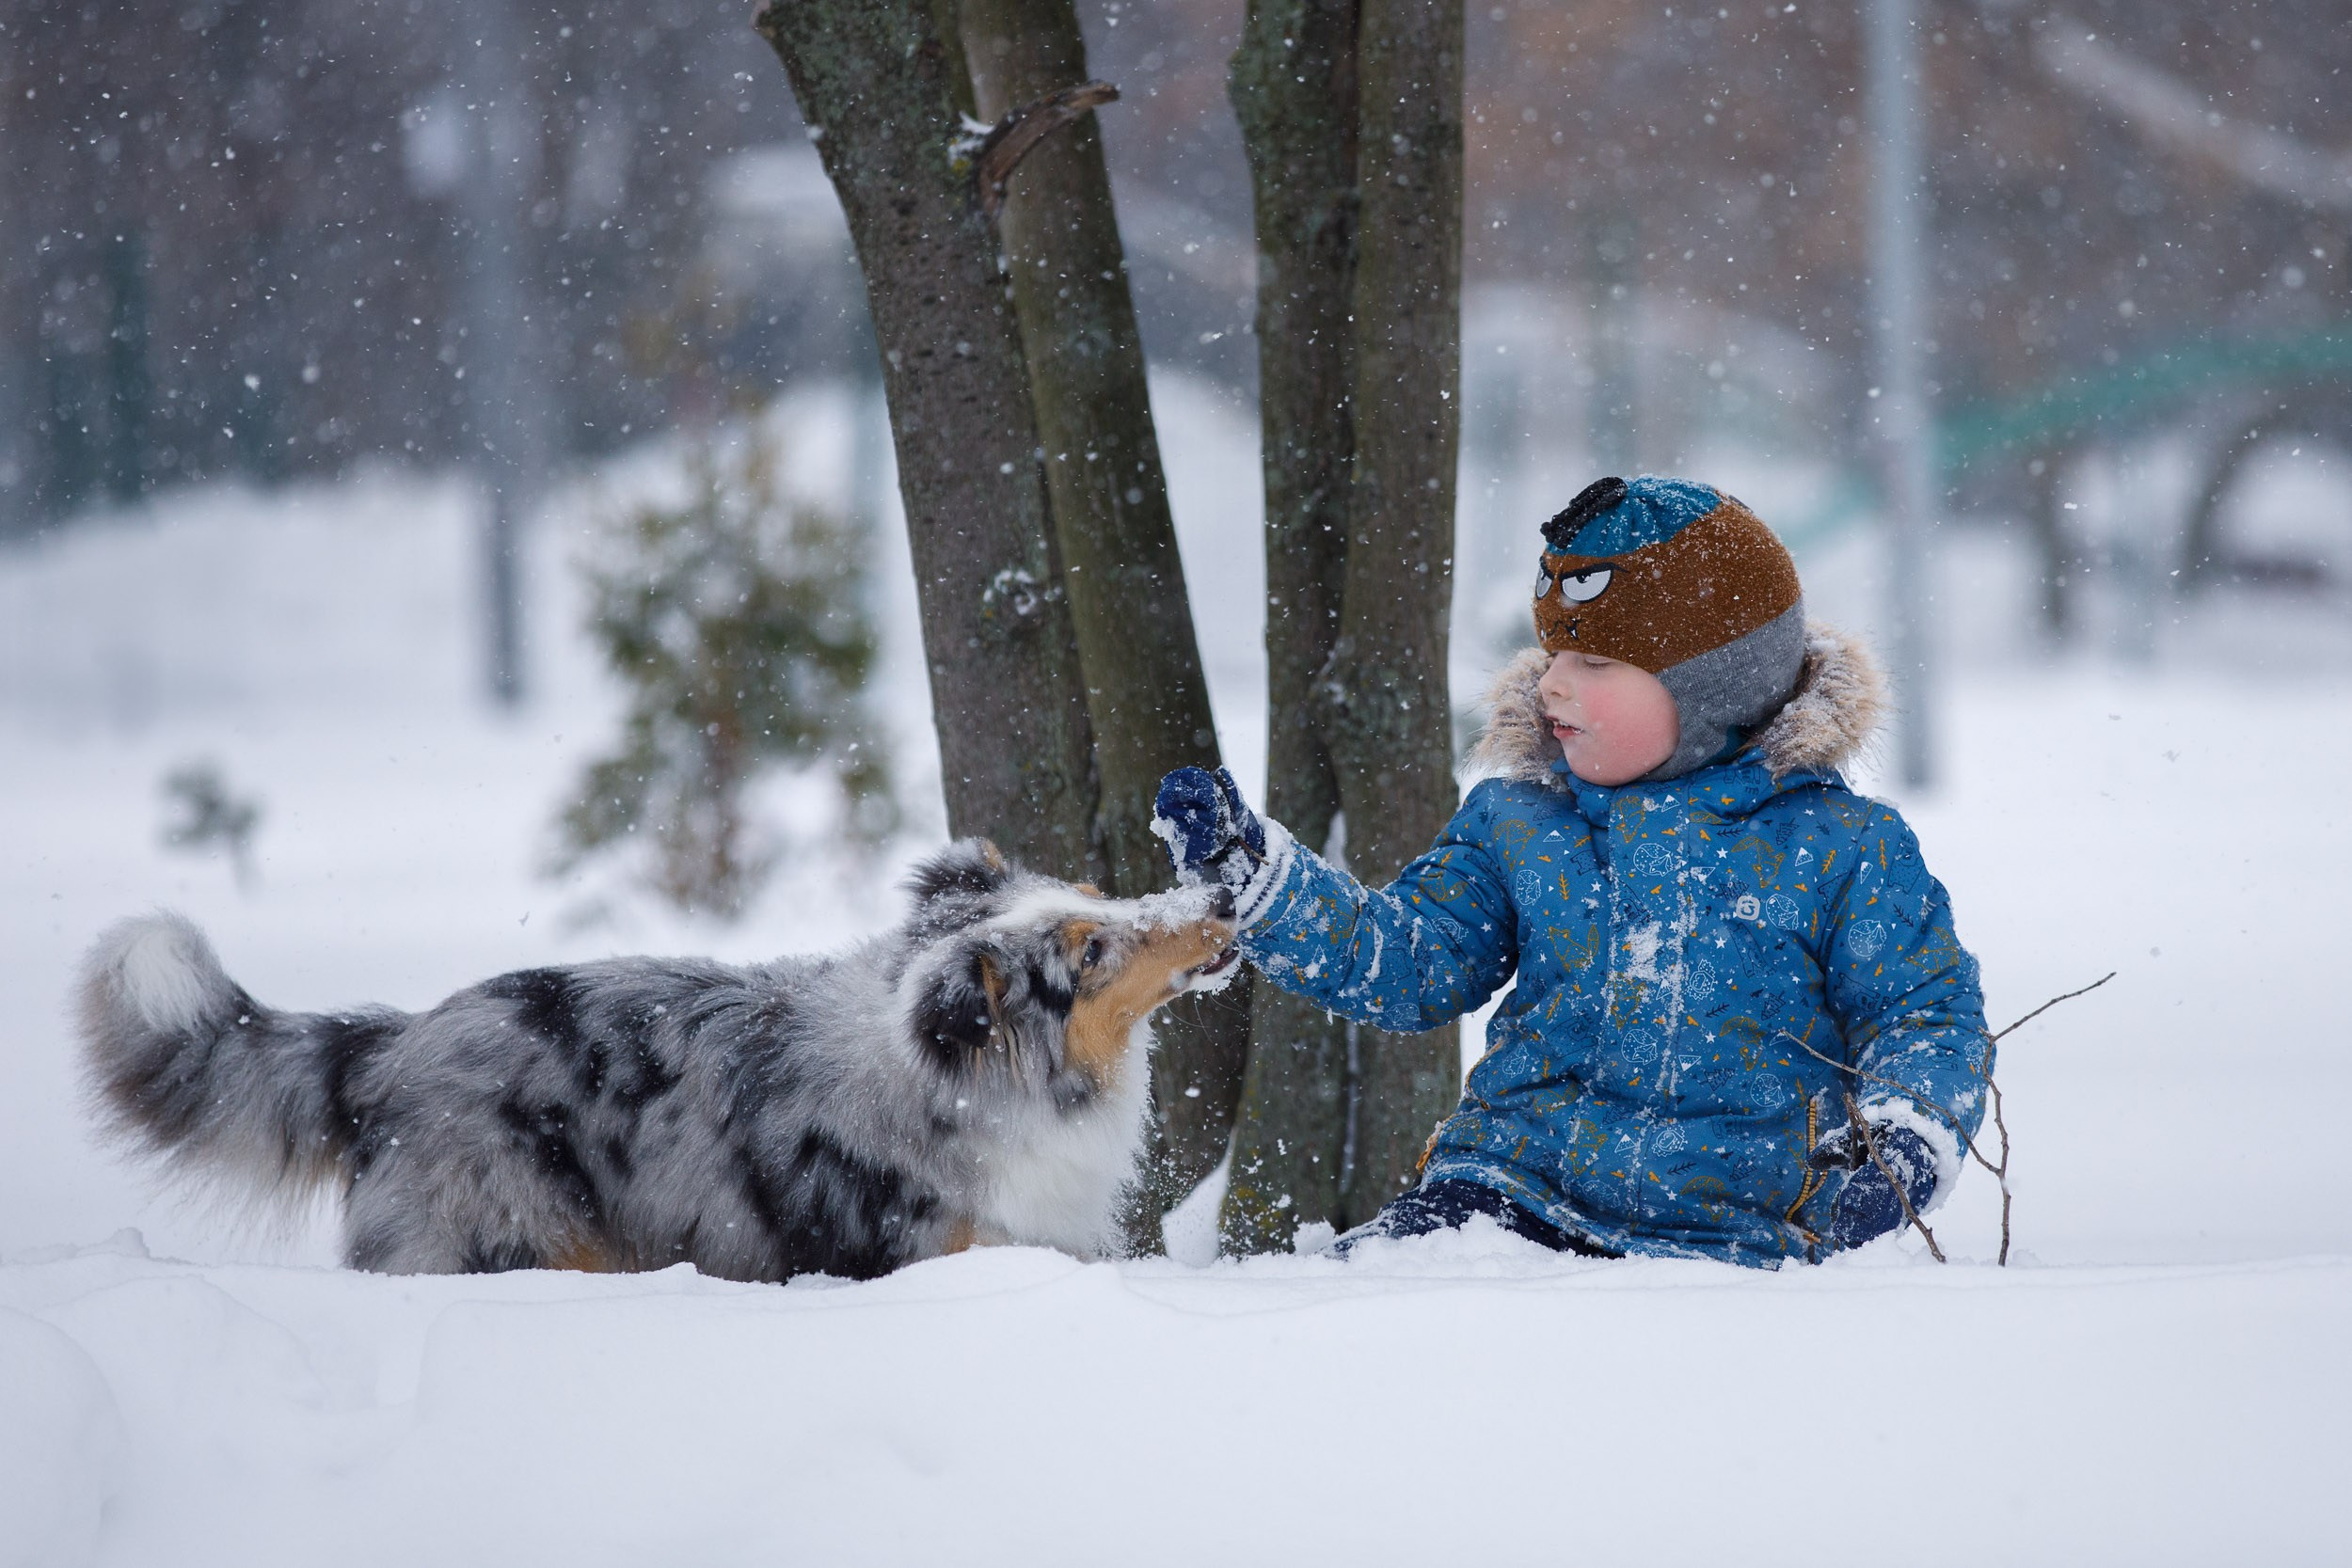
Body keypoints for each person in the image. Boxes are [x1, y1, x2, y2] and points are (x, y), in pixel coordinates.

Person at [1154, 475, 1992, 1265]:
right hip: (1504, 1193)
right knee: (1359, 1303)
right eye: (1554, 651)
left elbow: (1925, 1012)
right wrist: (1263, 881)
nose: (1551, 682)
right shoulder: (1521, 822)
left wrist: (1901, 1144)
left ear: (1711, 693)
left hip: (1733, 1229)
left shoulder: (1841, 847)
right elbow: (1410, 957)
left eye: (1594, 664)